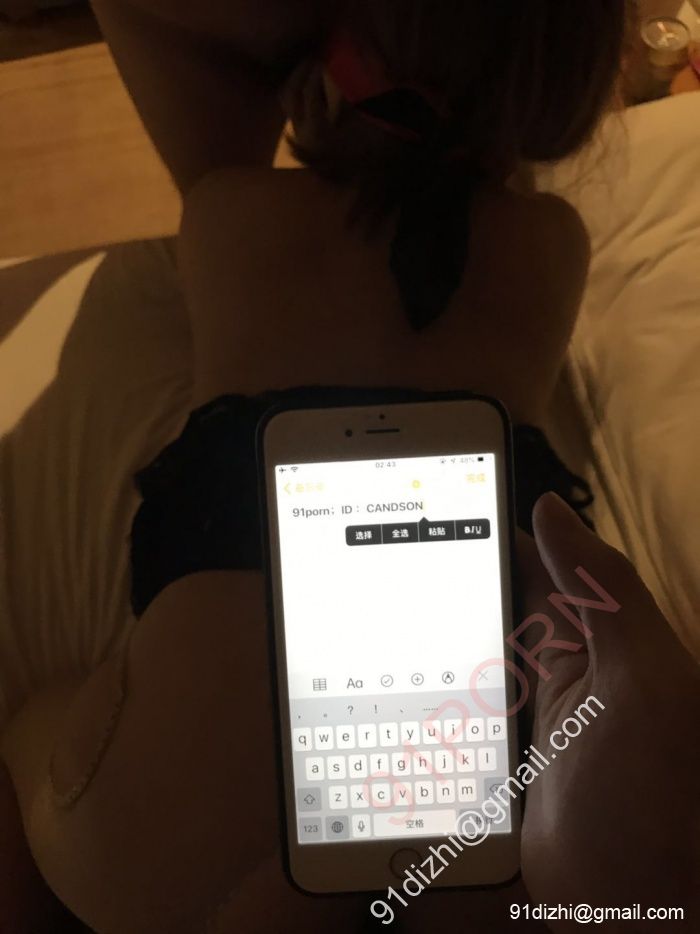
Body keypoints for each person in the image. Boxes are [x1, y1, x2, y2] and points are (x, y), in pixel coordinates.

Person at [4, 1, 693, 931]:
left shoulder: (229, 212)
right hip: (490, 827)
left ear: (321, 58)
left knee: (32, 731)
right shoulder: (551, 243)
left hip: (145, 811)